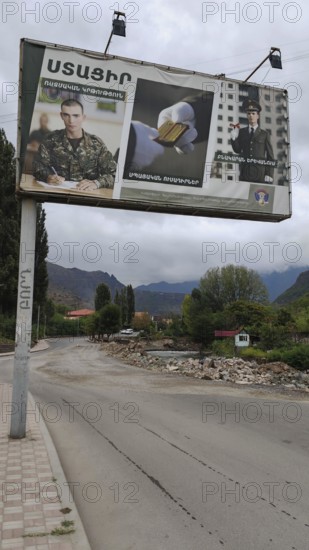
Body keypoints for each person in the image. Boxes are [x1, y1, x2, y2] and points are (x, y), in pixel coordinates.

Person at [33, 99, 116, 190]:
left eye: (76, 116)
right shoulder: (50, 140)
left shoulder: (96, 144)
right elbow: (37, 167)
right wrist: (47, 176)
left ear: (83, 117)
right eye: (66, 115)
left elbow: (113, 174)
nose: (71, 120)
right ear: (61, 116)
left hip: (86, 196)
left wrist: (96, 183)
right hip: (57, 194)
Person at [230, 99, 275, 184]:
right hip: (245, 173)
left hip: (260, 174)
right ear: (247, 116)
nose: (251, 116)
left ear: (258, 116)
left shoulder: (264, 134)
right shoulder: (242, 132)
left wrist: (269, 174)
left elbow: (270, 157)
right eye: (249, 114)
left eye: (253, 113)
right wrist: (233, 138)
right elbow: (237, 150)